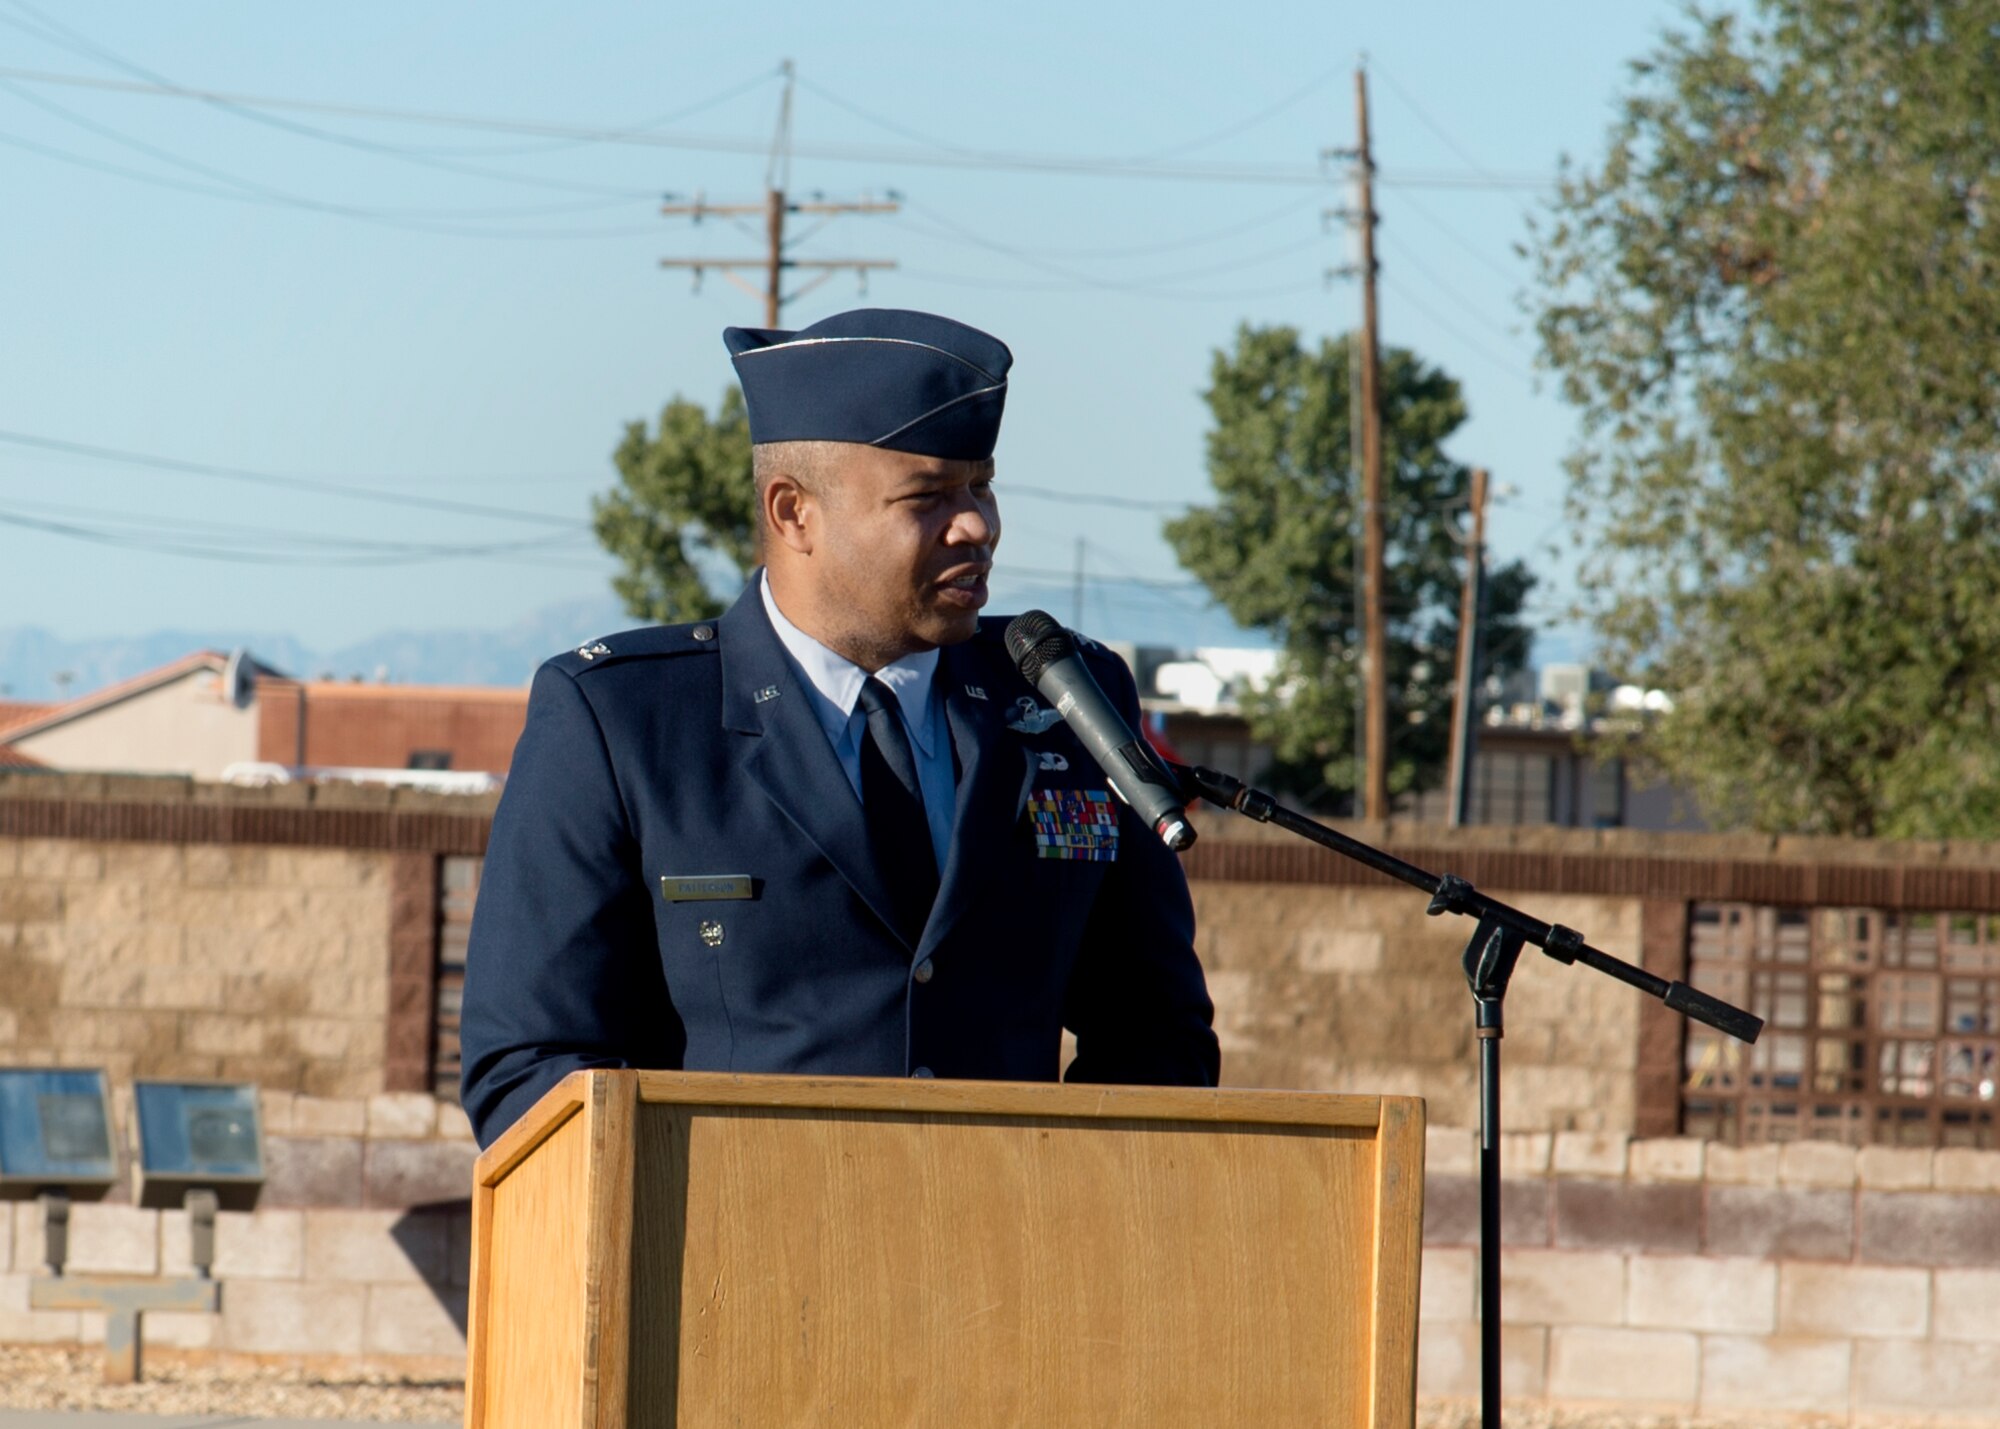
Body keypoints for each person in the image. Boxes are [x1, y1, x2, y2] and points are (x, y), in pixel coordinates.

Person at [458, 308, 1218, 1147]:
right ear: (794, 513)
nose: (977, 525)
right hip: (729, 1262)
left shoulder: (1066, 697)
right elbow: (526, 1067)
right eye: (928, 496)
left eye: (982, 486)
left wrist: (1059, 1205)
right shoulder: (623, 721)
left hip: (1010, 1260)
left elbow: (1158, 1033)